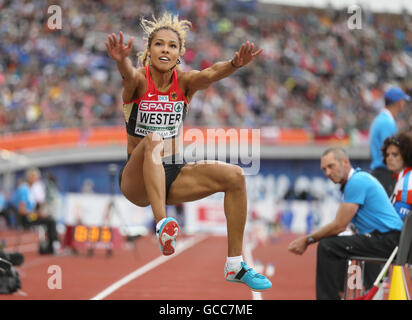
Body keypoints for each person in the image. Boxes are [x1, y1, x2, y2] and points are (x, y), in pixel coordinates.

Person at [105, 12, 271, 290]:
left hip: (171, 174)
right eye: (159, 44)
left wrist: (235, 64)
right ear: (149, 50)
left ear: (180, 53)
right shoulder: (139, 82)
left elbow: (211, 73)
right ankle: (162, 225)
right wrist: (121, 58)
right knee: (154, 140)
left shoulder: (184, 84)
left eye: (172, 45)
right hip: (136, 180)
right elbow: (127, 74)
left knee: (235, 176)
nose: (165, 50)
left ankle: (235, 265)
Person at [288, 147, 403, 300]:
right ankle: (345, 293)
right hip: (384, 239)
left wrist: (308, 239)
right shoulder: (357, 180)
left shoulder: (356, 181)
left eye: (331, 166)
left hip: (388, 240)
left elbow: (339, 225)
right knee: (341, 243)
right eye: (324, 169)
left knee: (328, 246)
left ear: (345, 162)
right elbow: (345, 227)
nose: (328, 173)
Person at [369, 86, 410, 196]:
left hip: (381, 173)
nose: (404, 104)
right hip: (384, 174)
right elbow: (392, 149)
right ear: (399, 102)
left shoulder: (382, 119)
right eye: (403, 101)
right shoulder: (386, 122)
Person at [10, 168, 60, 255]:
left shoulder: (29, 190)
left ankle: (51, 246)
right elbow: (22, 211)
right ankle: (53, 246)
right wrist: (37, 214)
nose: (37, 180)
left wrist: (38, 212)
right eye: (36, 177)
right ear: (30, 177)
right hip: (25, 219)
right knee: (50, 221)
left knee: (49, 218)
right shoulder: (24, 190)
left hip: (29, 217)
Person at [382, 131, 412, 221]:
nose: (389, 158)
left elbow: (400, 220)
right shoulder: (400, 178)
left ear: (405, 156)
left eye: (395, 155)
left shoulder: (408, 180)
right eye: (387, 155)